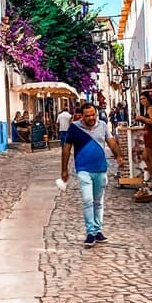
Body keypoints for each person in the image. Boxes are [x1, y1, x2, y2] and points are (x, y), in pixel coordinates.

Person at [61, 101, 122, 248]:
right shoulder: (74, 127)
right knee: (88, 200)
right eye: (87, 116)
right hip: (83, 169)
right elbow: (66, 149)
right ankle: (90, 232)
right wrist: (64, 169)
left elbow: (111, 142)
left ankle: (98, 230)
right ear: (82, 116)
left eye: (93, 114)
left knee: (98, 202)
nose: (91, 118)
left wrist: (119, 155)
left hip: (100, 168)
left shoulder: (102, 126)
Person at [134, 91, 152, 189]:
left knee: (149, 157)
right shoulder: (147, 108)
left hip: (150, 134)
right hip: (147, 134)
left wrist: (142, 118)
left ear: (148, 98)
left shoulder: (151, 109)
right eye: (141, 99)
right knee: (145, 156)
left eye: (144, 98)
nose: (142, 101)